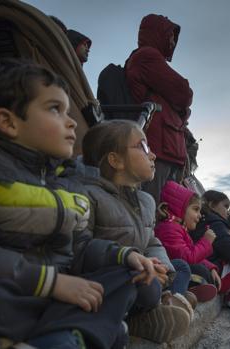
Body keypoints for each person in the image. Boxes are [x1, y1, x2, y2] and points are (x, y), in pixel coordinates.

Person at [0, 60, 158, 349]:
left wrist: (122, 255)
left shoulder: (66, 180)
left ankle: (69, 335)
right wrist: (53, 284)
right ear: (8, 122)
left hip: (55, 294)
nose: (71, 121)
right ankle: (81, 333)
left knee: (126, 276)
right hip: (10, 291)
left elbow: (80, 248)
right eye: (54, 109)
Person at [80, 120, 195, 343]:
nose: (152, 155)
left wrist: (162, 267)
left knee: (175, 269)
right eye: (143, 147)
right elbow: (82, 250)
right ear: (116, 160)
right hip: (113, 278)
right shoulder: (89, 195)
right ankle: (136, 318)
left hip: (142, 270)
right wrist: (135, 261)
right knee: (147, 287)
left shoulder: (146, 201)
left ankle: (156, 305)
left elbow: (151, 240)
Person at [126, 14, 193, 204]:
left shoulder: (152, 60)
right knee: (153, 208)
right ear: (158, 34)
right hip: (160, 149)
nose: (173, 41)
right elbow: (184, 93)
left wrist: (182, 110)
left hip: (168, 148)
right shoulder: (147, 56)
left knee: (166, 214)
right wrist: (183, 109)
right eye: (170, 35)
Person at [154, 181, 219, 302]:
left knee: (204, 269)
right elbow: (187, 257)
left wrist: (211, 268)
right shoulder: (169, 228)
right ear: (180, 209)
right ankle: (175, 300)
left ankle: (189, 291)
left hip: (173, 271)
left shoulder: (179, 228)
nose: (199, 215)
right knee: (193, 268)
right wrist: (206, 241)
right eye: (196, 209)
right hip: (167, 273)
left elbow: (191, 251)